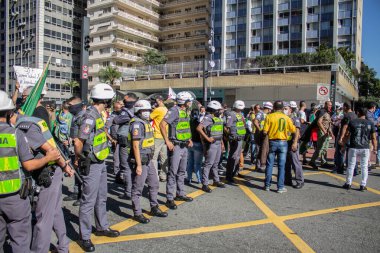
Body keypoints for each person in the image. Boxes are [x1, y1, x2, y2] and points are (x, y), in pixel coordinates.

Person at [0, 91, 60, 253]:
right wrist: (49, 157)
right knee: (20, 240)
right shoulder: (15, 134)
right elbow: (29, 165)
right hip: (14, 196)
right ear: (8, 112)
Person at [15, 108, 75, 253]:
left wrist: (65, 166)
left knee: (43, 219)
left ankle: (39, 250)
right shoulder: (32, 122)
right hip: (52, 172)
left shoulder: (24, 127)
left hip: (47, 174)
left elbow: (51, 151)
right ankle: (63, 246)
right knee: (54, 212)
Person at [75, 83, 120, 252]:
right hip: (92, 163)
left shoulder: (98, 114)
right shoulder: (90, 116)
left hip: (100, 162)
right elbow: (79, 141)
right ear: (106, 100)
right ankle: (84, 236)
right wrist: (79, 158)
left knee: (101, 197)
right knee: (88, 200)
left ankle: (102, 227)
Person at [129, 100, 168, 223]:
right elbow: (135, 145)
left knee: (154, 183)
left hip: (149, 159)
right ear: (138, 111)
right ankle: (137, 213)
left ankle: (154, 207)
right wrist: (139, 165)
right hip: (140, 160)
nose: (146, 113)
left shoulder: (146, 122)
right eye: (144, 111)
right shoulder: (136, 124)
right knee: (138, 187)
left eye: (148, 111)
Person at [160, 91, 194, 210]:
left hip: (184, 145)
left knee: (181, 171)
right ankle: (170, 198)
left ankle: (180, 194)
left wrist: (189, 138)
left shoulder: (184, 111)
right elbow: (162, 124)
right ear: (184, 102)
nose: (191, 103)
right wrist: (167, 141)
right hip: (176, 146)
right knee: (173, 172)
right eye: (189, 101)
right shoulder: (174, 110)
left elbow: (185, 127)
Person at [263, 101, 296, 193]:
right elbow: (293, 130)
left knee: (269, 164)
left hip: (272, 142)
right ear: (282, 108)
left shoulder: (269, 117)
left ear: (273, 107)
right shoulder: (286, 118)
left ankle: (267, 185)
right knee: (281, 166)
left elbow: (265, 131)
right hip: (283, 142)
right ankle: (280, 187)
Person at [342, 107, 377, 191]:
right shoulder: (370, 123)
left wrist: (343, 145)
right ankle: (362, 185)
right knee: (364, 166)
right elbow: (373, 138)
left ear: (358, 113)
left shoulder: (352, 122)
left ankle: (348, 183)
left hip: (353, 146)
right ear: (365, 114)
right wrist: (375, 148)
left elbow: (347, 135)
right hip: (365, 147)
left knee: (351, 166)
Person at [196, 100, 226, 193]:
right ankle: (205, 184)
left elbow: (219, 131)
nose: (220, 111)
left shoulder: (218, 118)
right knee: (208, 164)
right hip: (211, 144)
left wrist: (222, 143)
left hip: (218, 143)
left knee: (216, 163)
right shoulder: (208, 117)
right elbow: (199, 128)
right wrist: (208, 139)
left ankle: (216, 181)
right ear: (214, 110)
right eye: (219, 110)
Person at [63, 97, 87, 206]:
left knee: (82, 174)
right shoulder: (75, 116)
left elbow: (82, 137)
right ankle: (77, 192)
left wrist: (78, 154)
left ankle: (83, 196)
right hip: (74, 147)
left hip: (81, 149)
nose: (69, 107)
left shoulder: (84, 116)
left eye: (70, 105)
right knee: (76, 172)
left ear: (76, 105)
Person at [115, 92, 138, 200]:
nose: (123, 102)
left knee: (126, 167)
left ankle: (128, 192)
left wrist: (120, 111)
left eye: (124, 100)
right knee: (133, 166)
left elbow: (116, 120)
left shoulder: (126, 112)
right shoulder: (138, 110)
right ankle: (135, 189)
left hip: (125, 142)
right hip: (134, 142)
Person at [225, 100, 246, 185]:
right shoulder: (232, 114)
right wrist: (230, 136)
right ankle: (229, 176)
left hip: (240, 138)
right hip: (235, 139)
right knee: (233, 157)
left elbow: (243, 124)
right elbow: (227, 127)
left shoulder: (239, 114)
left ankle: (234, 173)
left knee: (237, 157)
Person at [308, 101, 333, 170]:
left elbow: (328, 124)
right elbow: (319, 122)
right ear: (325, 105)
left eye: (331, 105)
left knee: (325, 148)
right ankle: (312, 161)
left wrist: (331, 133)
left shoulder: (327, 112)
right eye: (329, 105)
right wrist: (325, 131)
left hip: (326, 133)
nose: (330, 106)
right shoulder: (322, 111)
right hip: (322, 132)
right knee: (320, 148)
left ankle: (323, 162)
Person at [284, 102, 304, 189]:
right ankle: (287, 180)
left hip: (292, 142)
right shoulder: (283, 118)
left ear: (290, 110)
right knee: (286, 163)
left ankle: (299, 181)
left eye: (286, 109)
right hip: (285, 143)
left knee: (295, 162)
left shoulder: (294, 118)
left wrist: (295, 143)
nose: (284, 110)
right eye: (283, 109)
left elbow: (297, 131)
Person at [150, 95, 169, 182]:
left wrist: (152, 109)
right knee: (163, 157)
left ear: (159, 100)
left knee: (154, 157)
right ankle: (163, 175)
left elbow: (148, 117)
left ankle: (154, 177)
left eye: (155, 101)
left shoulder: (158, 109)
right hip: (165, 136)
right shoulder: (166, 109)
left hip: (157, 135)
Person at [335, 103, 357, 174]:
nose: (342, 109)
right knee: (351, 154)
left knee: (340, 152)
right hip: (352, 136)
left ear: (345, 107)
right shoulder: (355, 115)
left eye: (343, 107)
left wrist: (341, 138)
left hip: (345, 137)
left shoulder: (347, 115)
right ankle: (354, 170)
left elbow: (345, 127)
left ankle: (340, 169)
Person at [253, 102, 273, 172]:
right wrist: (260, 130)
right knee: (259, 150)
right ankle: (258, 166)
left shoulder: (267, 115)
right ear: (268, 108)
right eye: (270, 109)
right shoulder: (260, 113)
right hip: (259, 134)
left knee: (263, 150)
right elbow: (255, 122)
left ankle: (260, 165)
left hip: (264, 134)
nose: (271, 110)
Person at [105, 101, 123, 176]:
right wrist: (111, 139)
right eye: (120, 106)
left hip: (126, 141)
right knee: (117, 158)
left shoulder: (126, 115)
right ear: (115, 109)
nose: (123, 107)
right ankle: (117, 174)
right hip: (116, 141)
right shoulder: (112, 117)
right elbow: (105, 129)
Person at [186, 108, 203, 184]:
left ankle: (189, 178)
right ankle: (199, 179)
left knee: (190, 162)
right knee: (197, 163)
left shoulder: (189, 122)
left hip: (190, 143)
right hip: (198, 144)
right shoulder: (199, 123)